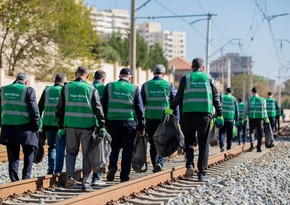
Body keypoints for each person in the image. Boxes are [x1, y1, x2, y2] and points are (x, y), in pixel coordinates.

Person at [167, 58, 223, 182]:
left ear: (192, 68)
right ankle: (202, 173)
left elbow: (178, 97)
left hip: (187, 115)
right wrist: (220, 114)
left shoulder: (185, 79)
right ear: (203, 68)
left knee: (189, 142)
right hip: (204, 115)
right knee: (203, 144)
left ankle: (190, 164)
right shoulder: (209, 79)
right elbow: (216, 98)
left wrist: (170, 108)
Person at [56, 66, 106, 192]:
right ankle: (86, 183)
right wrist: (102, 125)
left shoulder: (66, 88)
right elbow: (98, 109)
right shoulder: (91, 88)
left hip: (70, 126)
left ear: (75, 74)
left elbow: (60, 109)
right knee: (87, 155)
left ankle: (70, 177)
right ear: (88, 76)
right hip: (87, 127)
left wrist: (60, 126)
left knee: (71, 153)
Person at [102, 68, 145, 182]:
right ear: (130, 78)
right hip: (129, 123)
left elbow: (103, 105)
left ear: (119, 76)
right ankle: (124, 176)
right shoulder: (134, 88)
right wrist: (142, 127)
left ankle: (112, 167)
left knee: (114, 147)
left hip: (112, 122)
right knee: (127, 150)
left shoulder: (110, 86)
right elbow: (140, 109)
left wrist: (104, 122)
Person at [0, 72, 40, 182]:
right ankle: (26, 178)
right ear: (27, 82)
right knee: (29, 152)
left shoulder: (3, 89)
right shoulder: (28, 90)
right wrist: (36, 126)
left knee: (13, 156)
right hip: (26, 128)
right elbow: (34, 110)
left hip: (8, 127)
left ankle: (14, 180)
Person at [141, 64, 179, 173]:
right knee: (164, 142)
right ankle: (160, 163)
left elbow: (141, 104)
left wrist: (141, 120)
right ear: (163, 74)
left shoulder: (146, 86)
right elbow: (175, 103)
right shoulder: (169, 85)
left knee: (153, 143)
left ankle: (155, 164)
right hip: (164, 120)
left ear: (153, 73)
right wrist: (177, 120)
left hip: (150, 118)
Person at [38, 73, 67, 174]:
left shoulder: (47, 90)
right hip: (60, 125)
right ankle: (58, 170)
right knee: (60, 147)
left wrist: (39, 124)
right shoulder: (64, 90)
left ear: (54, 81)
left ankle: (50, 169)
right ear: (64, 82)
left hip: (47, 124)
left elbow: (39, 107)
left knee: (52, 147)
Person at [91, 70, 106, 186]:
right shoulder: (106, 89)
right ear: (104, 79)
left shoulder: (89, 87)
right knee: (101, 150)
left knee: (88, 150)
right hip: (101, 123)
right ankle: (97, 177)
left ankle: (88, 175)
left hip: (88, 123)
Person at [243, 87, 269, 152]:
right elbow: (264, 110)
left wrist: (244, 118)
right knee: (260, 133)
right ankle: (259, 148)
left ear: (252, 92)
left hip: (252, 118)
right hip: (260, 119)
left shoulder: (249, 99)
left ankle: (252, 145)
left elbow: (246, 110)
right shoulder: (262, 99)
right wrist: (266, 118)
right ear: (257, 92)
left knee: (252, 132)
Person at [218, 88, 239, 152]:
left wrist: (216, 116)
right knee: (229, 134)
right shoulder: (234, 99)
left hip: (222, 119)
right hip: (230, 119)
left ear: (225, 91)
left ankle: (222, 146)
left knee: (221, 132)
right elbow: (236, 110)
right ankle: (229, 148)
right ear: (231, 92)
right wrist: (237, 119)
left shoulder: (221, 97)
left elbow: (218, 106)